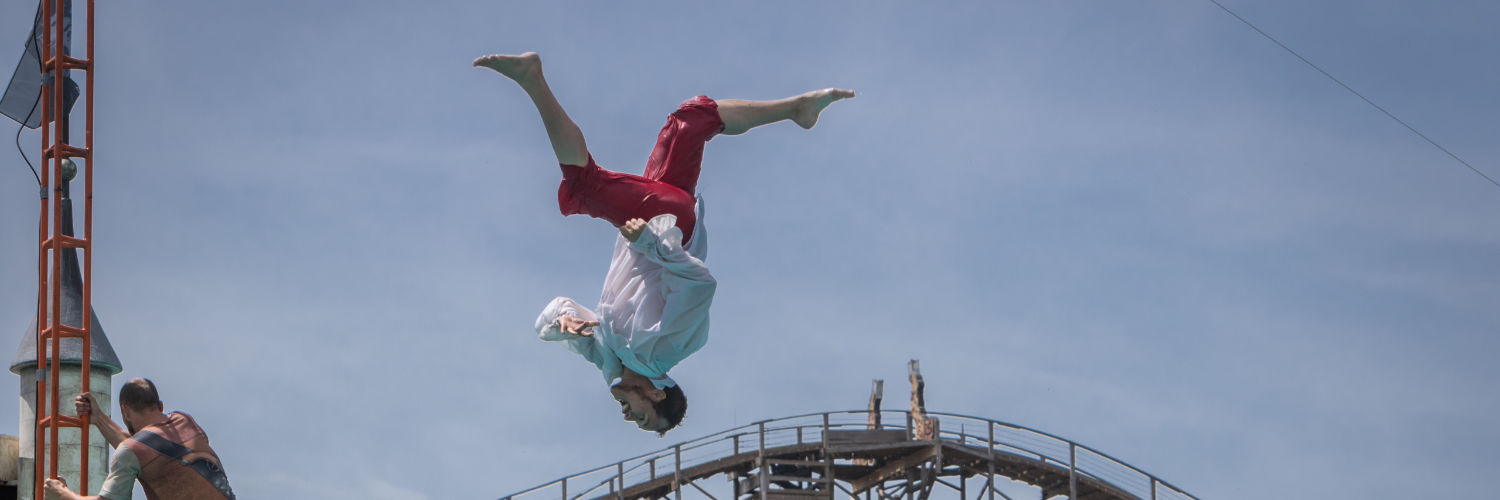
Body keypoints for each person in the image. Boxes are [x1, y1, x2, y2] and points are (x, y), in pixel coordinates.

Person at [473, 52, 853, 434]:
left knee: (689, 121)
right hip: (664, 225)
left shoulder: (606, 357)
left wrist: (563, 321)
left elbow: (547, 322)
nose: (627, 415)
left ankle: (796, 108)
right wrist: (653, 243)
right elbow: (699, 286)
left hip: (659, 215)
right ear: (656, 395)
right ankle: (532, 78)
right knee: (584, 186)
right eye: (640, 416)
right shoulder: (668, 350)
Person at [43, 378, 235, 500]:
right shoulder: (184, 420)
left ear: (125, 410)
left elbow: (137, 451)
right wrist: (99, 418)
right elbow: (144, 449)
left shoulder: (134, 452)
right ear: (160, 405)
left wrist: (62, 494)